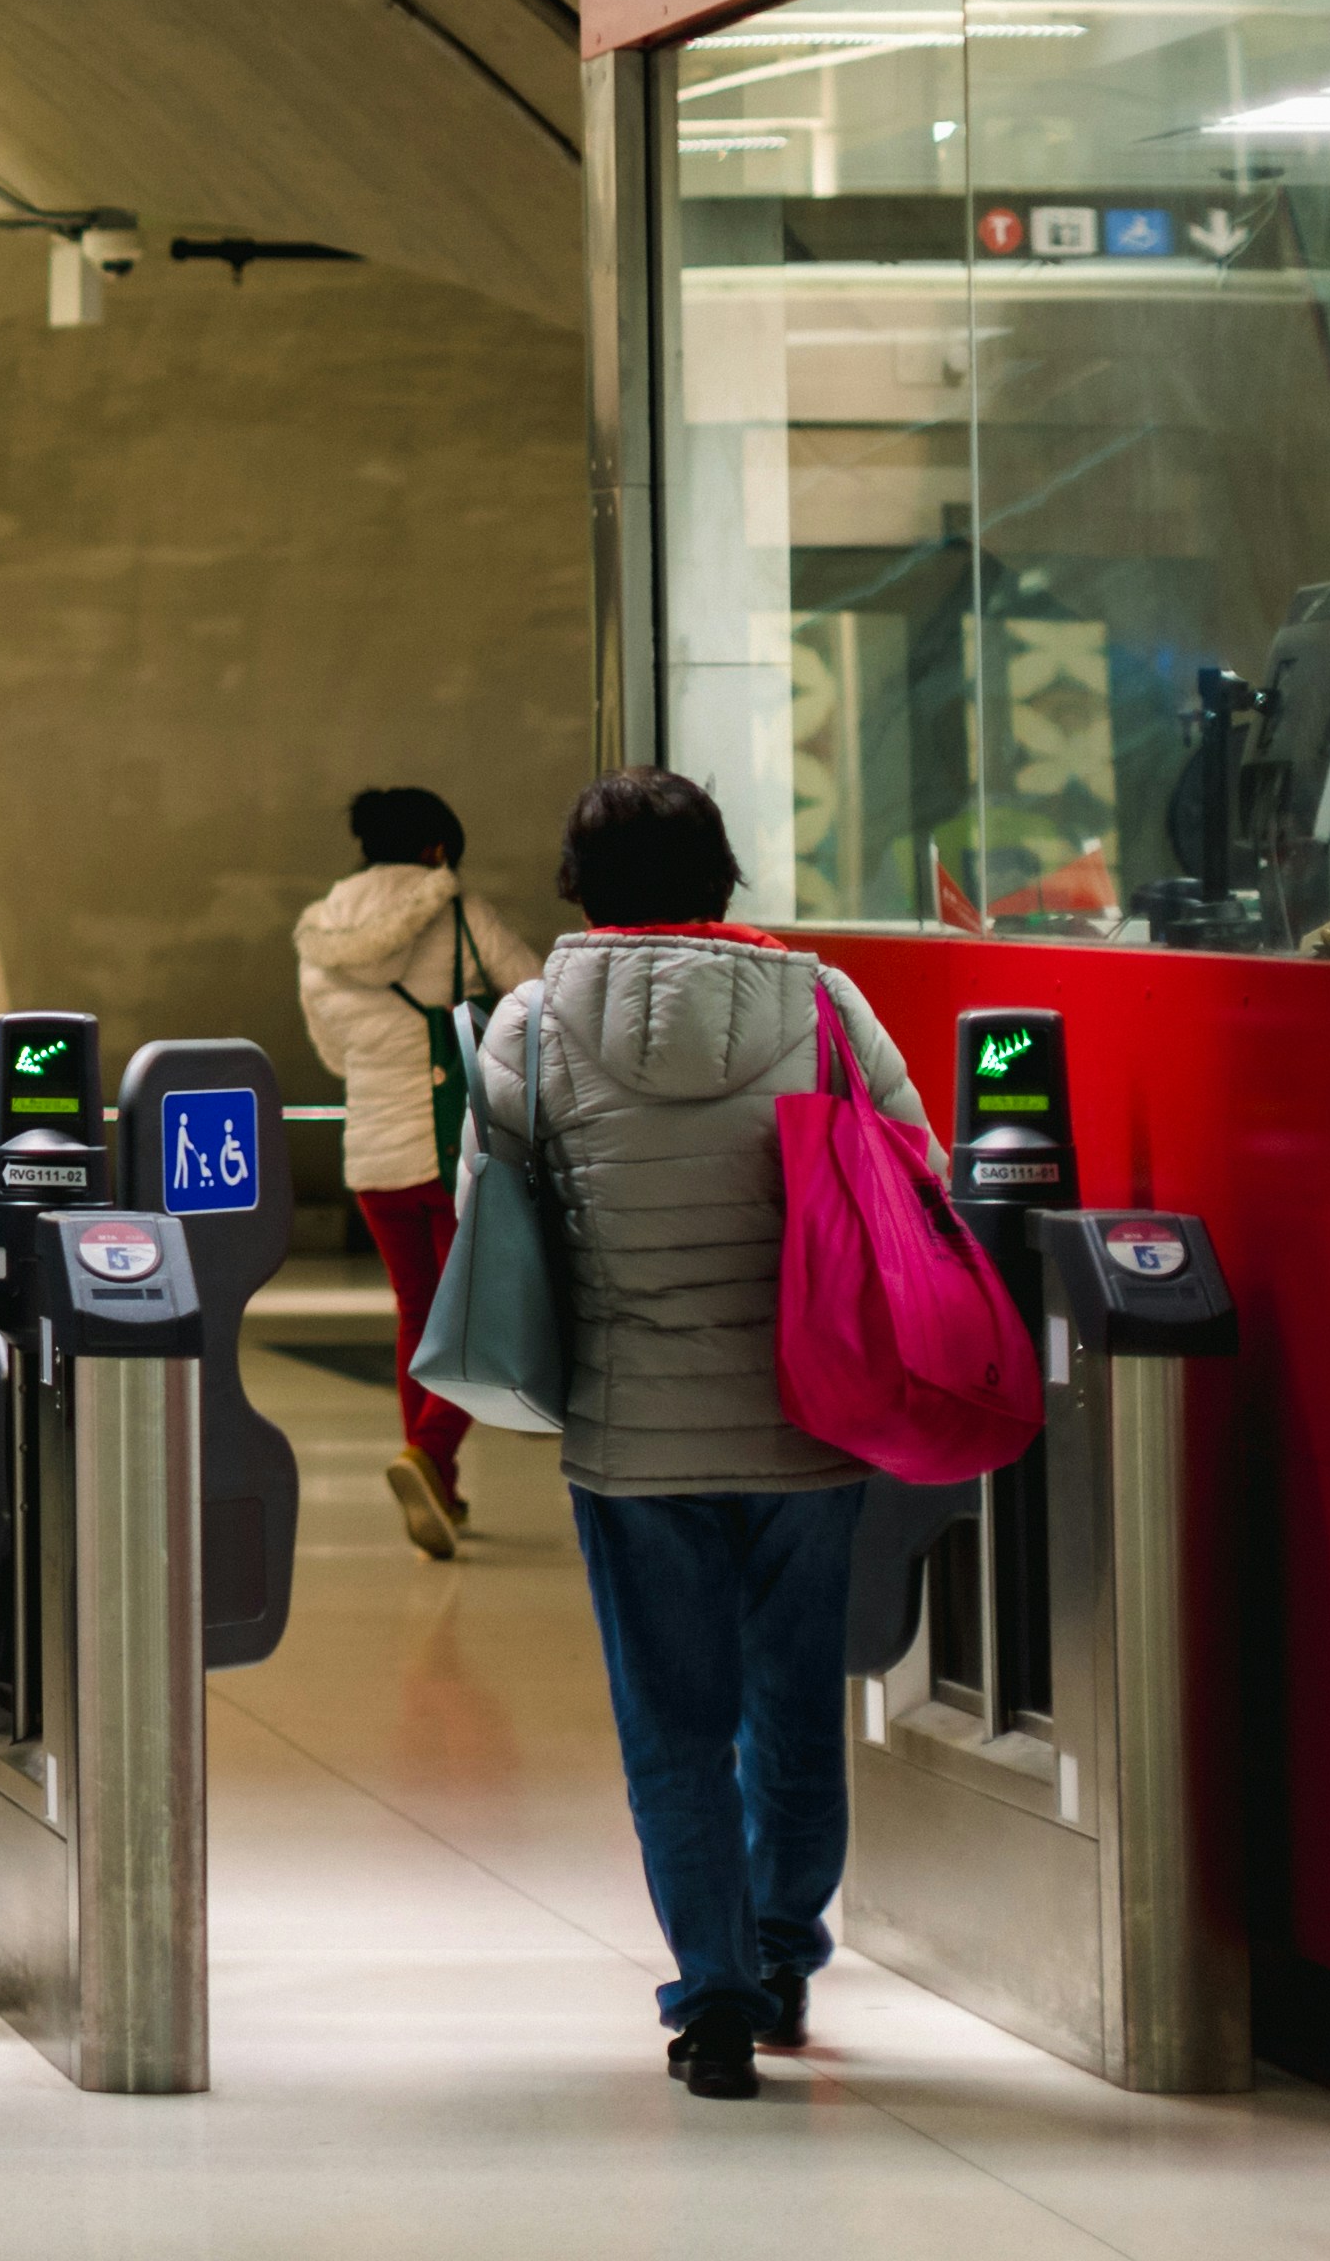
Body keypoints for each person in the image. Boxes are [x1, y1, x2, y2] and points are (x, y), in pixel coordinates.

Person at [475, 766, 928, 2101]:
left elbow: (489, 1228)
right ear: (722, 872)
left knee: (673, 1725)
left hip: (634, 1434)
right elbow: (917, 1171)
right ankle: (784, 1949)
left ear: (581, 886)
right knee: (795, 1706)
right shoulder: (824, 1003)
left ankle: (714, 1993)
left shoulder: (532, 1023)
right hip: (810, 1416)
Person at [296, 785, 535, 1560]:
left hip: (372, 1154)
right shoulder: (462, 913)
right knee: (485, 1315)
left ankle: (441, 1484)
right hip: (458, 1151)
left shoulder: (323, 932)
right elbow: (537, 997)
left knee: (417, 1314)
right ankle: (428, 1452)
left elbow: (333, 1051)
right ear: (436, 849)